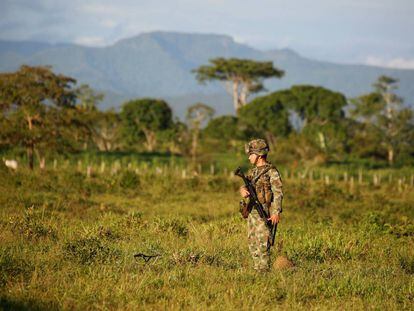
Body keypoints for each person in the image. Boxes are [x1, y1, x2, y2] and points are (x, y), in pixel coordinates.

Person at [239, 138, 283, 272]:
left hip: (264, 211)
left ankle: (263, 270)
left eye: (251, 154)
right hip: (252, 212)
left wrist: (276, 211)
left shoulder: (271, 172)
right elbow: (245, 184)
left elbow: (278, 192)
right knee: (252, 242)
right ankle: (257, 268)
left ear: (258, 155)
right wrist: (242, 190)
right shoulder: (253, 172)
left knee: (263, 242)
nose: (249, 158)